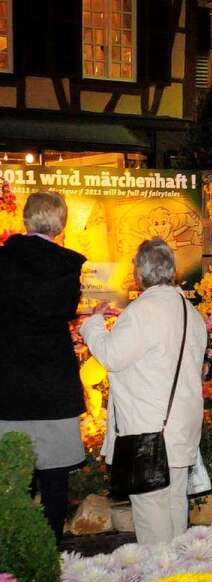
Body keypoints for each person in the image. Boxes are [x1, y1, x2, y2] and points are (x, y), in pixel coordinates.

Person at [81, 238, 207, 544]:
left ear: (140, 273)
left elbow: (112, 356)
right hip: (180, 428)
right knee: (176, 506)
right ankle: (180, 581)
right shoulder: (190, 311)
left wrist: (93, 324)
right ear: (172, 270)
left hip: (148, 432)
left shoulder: (143, 310)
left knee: (151, 516)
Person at [0, 191, 87, 541]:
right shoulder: (67, 266)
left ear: (25, 219)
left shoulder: (4, 261)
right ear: (60, 224)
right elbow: (64, 311)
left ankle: (14, 553)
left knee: (13, 476)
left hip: (9, 382)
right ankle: (51, 547)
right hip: (54, 382)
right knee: (55, 475)